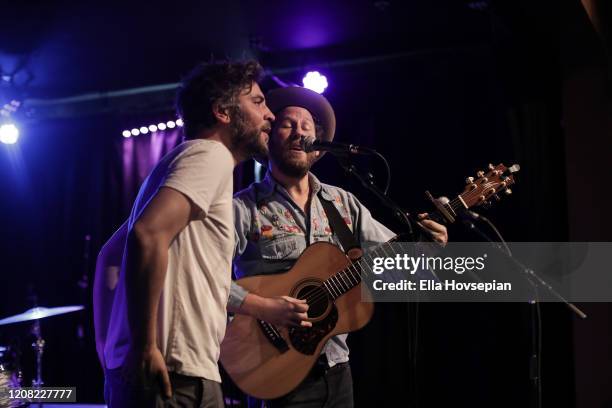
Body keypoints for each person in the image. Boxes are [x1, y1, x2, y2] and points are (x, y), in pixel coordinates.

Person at [226, 86, 448, 407]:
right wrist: (265, 307)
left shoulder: (343, 203)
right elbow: (205, 282)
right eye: (288, 124)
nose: (298, 132)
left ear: (317, 148)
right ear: (269, 137)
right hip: (272, 370)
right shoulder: (244, 207)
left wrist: (429, 249)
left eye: (306, 127)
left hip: (337, 369)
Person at [95, 60, 275, 408]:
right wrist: (144, 346)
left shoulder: (177, 164)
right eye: (257, 101)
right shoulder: (210, 155)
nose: (269, 114)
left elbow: (110, 257)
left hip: (153, 371)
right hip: (176, 375)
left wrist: (110, 354)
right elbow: (146, 235)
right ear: (223, 112)